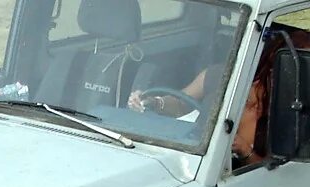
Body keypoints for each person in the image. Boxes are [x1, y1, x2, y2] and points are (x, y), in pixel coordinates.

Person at [128, 26, 310, 167]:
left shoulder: (296, 108)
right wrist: (154, 102)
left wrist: (244, 151)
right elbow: (180, 104)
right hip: (194, 161)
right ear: (275, 61)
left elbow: (278, 174)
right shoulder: (220, 76)